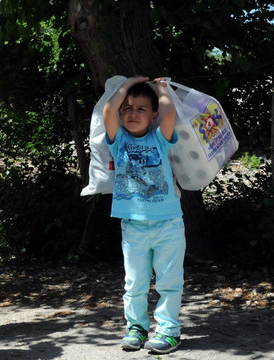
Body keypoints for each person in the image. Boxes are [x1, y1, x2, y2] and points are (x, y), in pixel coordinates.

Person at [103, 76, 185, 354]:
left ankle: (168, 330)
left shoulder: (160, 139)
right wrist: (128, 84)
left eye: (141, 109)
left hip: (169, 223)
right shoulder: (117, 141)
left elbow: (170, 112)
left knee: (169, 282)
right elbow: (108, 111)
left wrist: (160, 89)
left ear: (153, 116)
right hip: (133, 226)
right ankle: (136, 327)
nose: (133, 113)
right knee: (135, 283)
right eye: (128, 108)